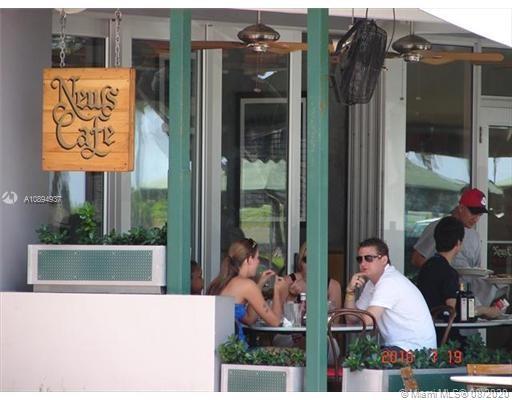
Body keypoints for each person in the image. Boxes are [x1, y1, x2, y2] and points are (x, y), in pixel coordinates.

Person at [411, 187, 503, 308]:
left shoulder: (475, 236)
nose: (476, 219)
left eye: (479, 215)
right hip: (441, 298)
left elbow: (476, 270)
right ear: (461, 208)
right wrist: (442, 272)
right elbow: (416, 259)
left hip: (468, 296)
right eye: (473, 213)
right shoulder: (440, 227)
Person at [417, 216, 501, 343]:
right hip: (445, 339)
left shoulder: (427, 266)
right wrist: (486, 310)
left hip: (426, 332)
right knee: (476, 348)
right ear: (458, 243)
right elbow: (455, 311)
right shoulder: (448, 272)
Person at [345, 238, 437, 351]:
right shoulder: (372, 283)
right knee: (354, 357)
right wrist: (350, 291)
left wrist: (359, 317)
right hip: (400, 348)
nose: (363, 263)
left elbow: (368, 321)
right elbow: (351, 318)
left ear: (384, 260)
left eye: (369, 258)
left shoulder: (389, 281)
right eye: (360, 259)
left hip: (416, 351)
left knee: (356, 359)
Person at [206, 238, 288, 345]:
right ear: (249, 259)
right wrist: (278, 291)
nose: (258, 262)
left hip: (219, 346)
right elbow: (275, 322)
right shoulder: (247, 285)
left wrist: (259, 285)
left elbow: (249, 319)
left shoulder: (219, 282)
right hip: (235, 348)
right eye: (257, 258)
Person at [286, 242, 342, 309]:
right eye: (306, 259)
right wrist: (292, 296)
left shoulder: (333, 286)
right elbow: (281, 313)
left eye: (315, 259)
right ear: (300, 262)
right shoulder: (289, 281)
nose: (311, 264)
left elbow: (334, 315)